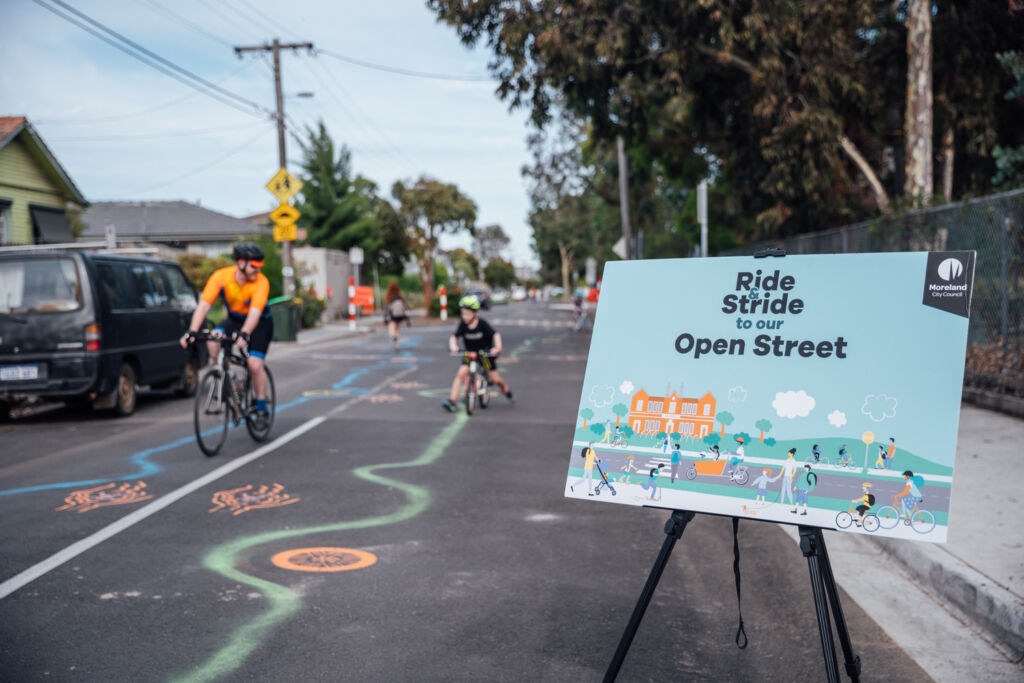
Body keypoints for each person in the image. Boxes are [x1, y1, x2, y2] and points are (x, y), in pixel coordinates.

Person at [181, 241, 272, 422]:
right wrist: (191, 331)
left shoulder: (262, 283)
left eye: (260, 267)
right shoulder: (221, 277)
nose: (257, 271)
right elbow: (204, 306)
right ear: (241, 263)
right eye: (254, 266)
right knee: (213, 339)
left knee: (254, 364)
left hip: (260, 322)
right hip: (234, 319)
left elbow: (254, 313)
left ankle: (261, 405)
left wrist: (245, 333)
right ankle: (224, 375)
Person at [442, 295, 514, 412]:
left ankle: (505, 389)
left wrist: (497, 346)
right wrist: (453, 346)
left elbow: (495, 335)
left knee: (496, 379)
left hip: (484, 354)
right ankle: (452, 400)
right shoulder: (463, 325)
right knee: (461, 374)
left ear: (475, 313)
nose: (465, 316)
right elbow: (454, 337)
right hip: (469, 354)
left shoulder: (482, 324)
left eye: (467, 314)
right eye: (463, 313)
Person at [383, 281, 410, 352]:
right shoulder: (400, 296)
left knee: (392, 329)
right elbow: (405, 307)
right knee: (397, 329)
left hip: (392, 316)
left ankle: (393, 337)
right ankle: (396, 344)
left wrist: (385, 318)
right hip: (400, 316)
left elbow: (386, 308)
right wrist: (407, 319)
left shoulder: (388, 297)